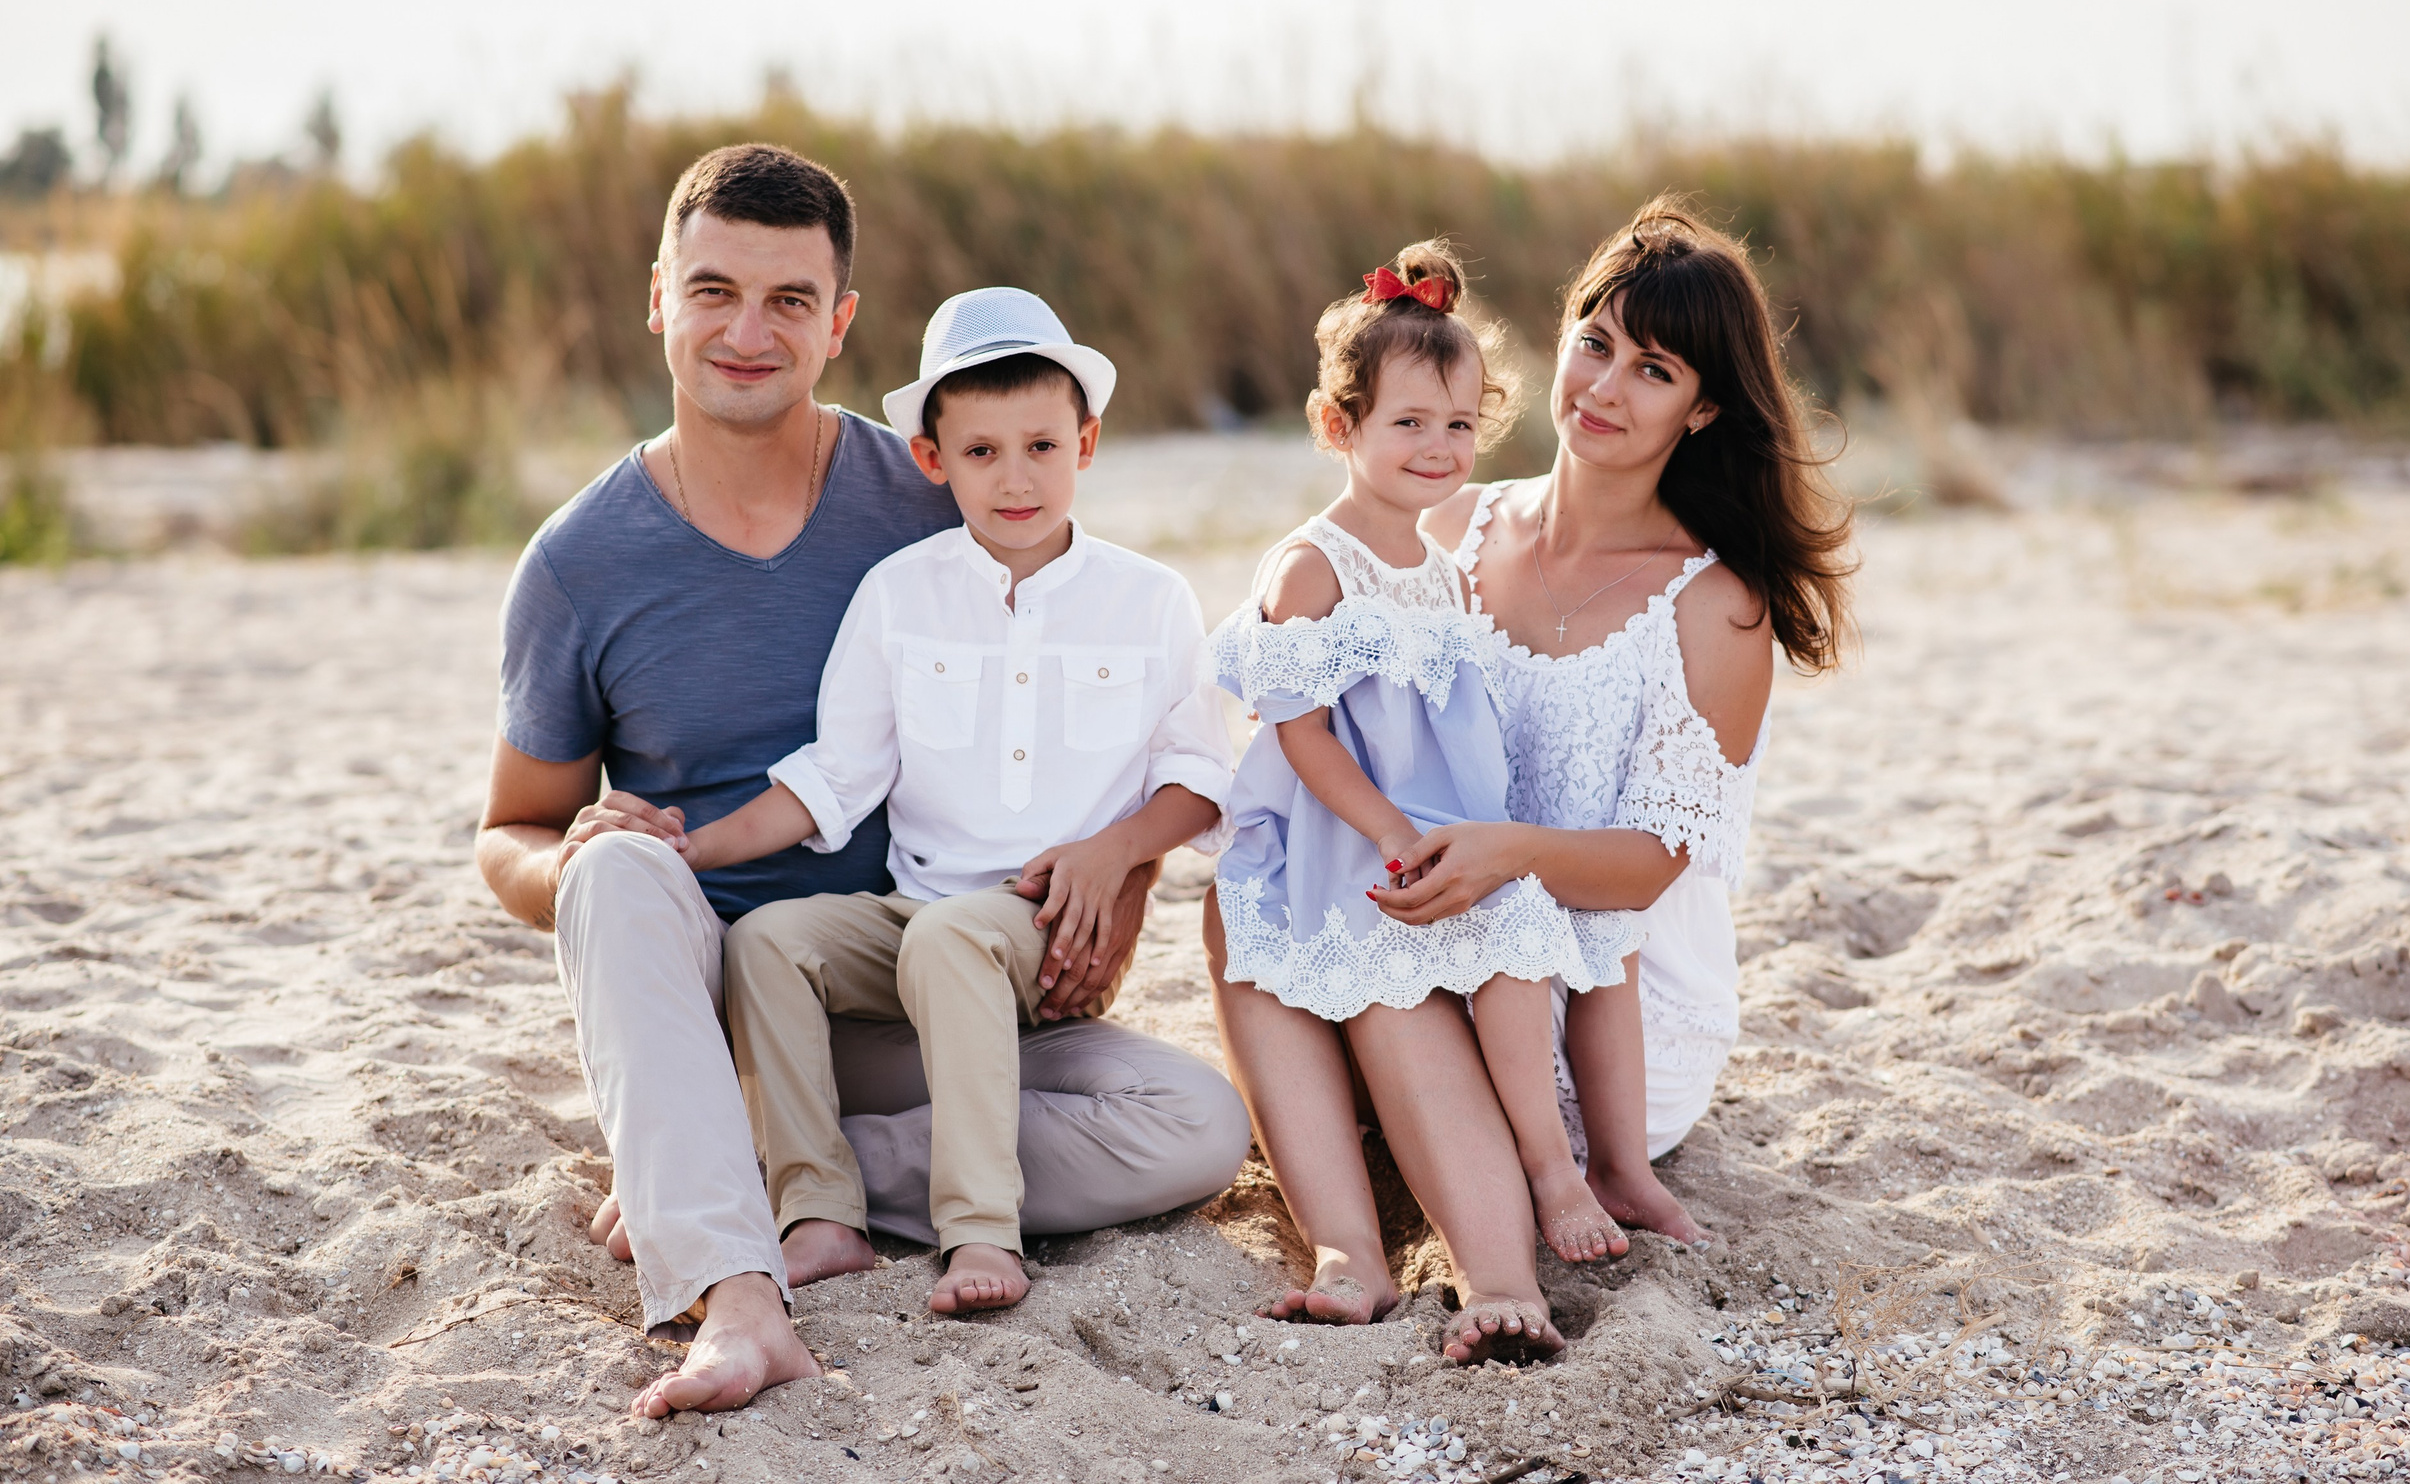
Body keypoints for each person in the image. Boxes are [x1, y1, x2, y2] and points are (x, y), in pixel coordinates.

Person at [475, 145, 1248, 1421]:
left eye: (789, 300)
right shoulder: (581, 560)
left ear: (839, 323)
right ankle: (734, 1290)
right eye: (713, 289)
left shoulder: (943, 487)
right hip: (719, 990)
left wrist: (1121, 876)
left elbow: (1084, 690)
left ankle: (744, 1162)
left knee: (1194, 1126)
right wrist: (595, 855)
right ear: (657, 296)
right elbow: (509, 825)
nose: (746, 329)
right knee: (618, 862)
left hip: (929, 991)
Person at [698, 287, 1233, 1318]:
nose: (1016, 476)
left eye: (1041, 444)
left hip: (1037, 928)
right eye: (981, 452)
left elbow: (1200, 773)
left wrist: (1111, 852)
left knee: (1203, 1123)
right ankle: (819, 1208)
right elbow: (834, 777)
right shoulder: (899, 592)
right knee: (767, 937)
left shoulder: (1149, 597)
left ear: (1088, 442)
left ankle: (970, 1222)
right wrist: (685, 846)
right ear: (932, 460)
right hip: (914, 932)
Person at [1395, 195, 1855, 1234]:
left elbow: (1653, 862)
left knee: (1408, 1025)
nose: (1603, 387)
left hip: (1624, 1003)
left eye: (1652, 370)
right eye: (1594, 343)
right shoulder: (1447, 523)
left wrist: (1503, 852)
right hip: (1454, 919)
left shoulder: (1714, 602)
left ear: (1700, 409)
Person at [1211, 242, 1645, 1268]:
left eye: (1458, 424)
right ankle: (1501, 1188)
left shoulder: (1439, 564)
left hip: (1435, 819)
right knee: (1453, 926)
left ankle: (1551, 1163)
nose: (1438, 447)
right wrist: (1394, 831)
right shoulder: (1315, 564)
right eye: (1408, 422)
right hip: (1348, 828)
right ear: (1338, 424)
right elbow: (1302, 736)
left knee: (1514, 929)